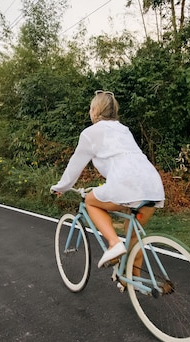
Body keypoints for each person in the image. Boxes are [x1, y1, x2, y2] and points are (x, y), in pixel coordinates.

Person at [50, 90, 165, 269]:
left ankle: (113, 243)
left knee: (91, 202)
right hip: (153, 184)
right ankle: (133, 282)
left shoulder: (90, 133)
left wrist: (61, 187)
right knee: (132, 234)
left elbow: (74, 166)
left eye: (90, 108)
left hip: (126, 183)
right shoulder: (124, 130)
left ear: (95, 110)